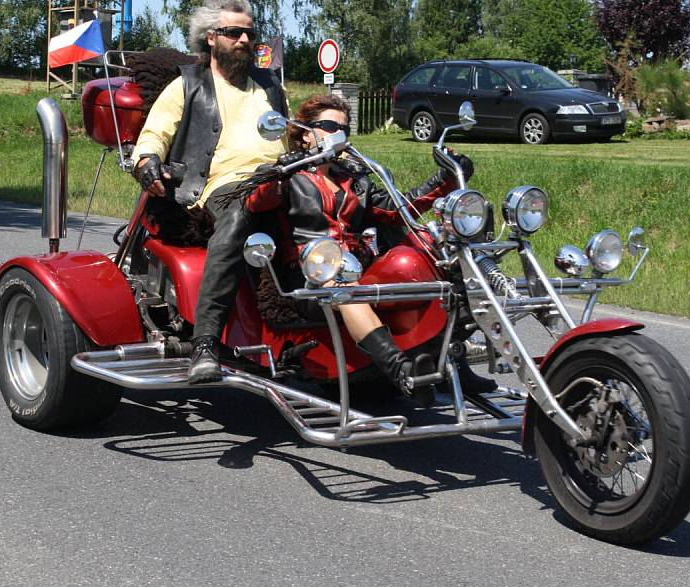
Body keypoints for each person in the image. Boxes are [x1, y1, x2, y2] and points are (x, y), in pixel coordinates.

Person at [247, 95, 497, 404]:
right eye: (328, 126)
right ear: (305, 132)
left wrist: (444, 179)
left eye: (344, 128)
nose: (338, 134)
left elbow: (396, 210)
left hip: (356, 267)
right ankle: (400, 371)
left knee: (444, 263)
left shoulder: (355, 179)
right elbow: (255, 201)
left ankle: (451, 361)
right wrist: (279, 172)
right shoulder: (289, 177)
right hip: (310, 276)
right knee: (346, 291)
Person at [130, 0, 288, 384]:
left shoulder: (269, 85)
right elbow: (153, 137)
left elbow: (293, 133)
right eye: (235, 32)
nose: (245, 39)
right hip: (220, 189)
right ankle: (205, 342)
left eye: (250, 32)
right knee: (237, 215)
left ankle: (429, 341)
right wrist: (147, 162)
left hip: (283, 180)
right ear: (211, 38)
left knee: (355, 206)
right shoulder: (187, 84)